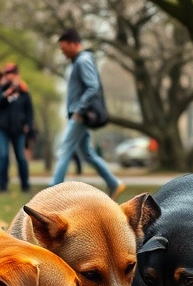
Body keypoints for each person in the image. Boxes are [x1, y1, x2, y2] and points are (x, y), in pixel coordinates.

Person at [50, 28, 125, 198]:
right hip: (78, 114)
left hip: (79, 115)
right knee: (87, 154)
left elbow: (93, 87)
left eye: (64, 48)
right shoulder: (79, 61)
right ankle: (113, 183)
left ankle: (52, 190)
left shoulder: (83, 60)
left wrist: (79, 109)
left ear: (73, 44)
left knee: (65, 149)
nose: (63, 52)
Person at [0, 63, 33, 193]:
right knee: (3, 155)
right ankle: (2, 186)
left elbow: (29, 110)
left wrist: (28, 125)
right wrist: (5, 94)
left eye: (13, 73)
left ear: (17, 75)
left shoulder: (23, 92)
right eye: (7, 74)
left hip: (18, 129)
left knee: (21, 157)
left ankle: (25, 186)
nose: (10, 76)